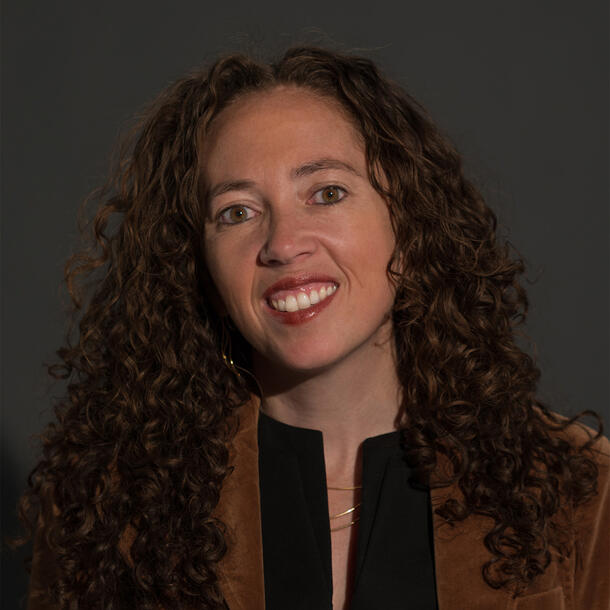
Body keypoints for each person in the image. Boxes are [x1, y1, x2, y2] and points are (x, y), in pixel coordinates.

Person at [19, 46, 608, 610]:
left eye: (326, 193)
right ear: (199, 268)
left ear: (410, 222)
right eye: (237, 212)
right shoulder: (109, 508)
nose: (282, 244)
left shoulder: (583, 491)